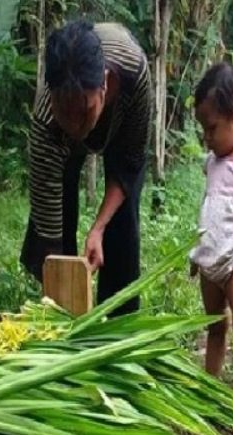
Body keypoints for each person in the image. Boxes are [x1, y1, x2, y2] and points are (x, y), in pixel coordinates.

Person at [21, 20, 152, 315]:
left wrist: (99, 228)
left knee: (123, 221)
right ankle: (61, 311)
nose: (74, 124)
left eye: (84, 111)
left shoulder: (133, 74)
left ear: (105, 84)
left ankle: (119, 317)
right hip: (58, 145)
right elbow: (48, 222)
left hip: (120, 128)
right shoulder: (47, 122)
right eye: (63, 111)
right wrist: (57, 291)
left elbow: (128, 164)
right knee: (52, 233)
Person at [189, 62, 233, 417]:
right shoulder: (213, 162)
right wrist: (196, 252)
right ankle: (210, 389)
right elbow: (210, 207)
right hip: (211, 259)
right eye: (203, 129)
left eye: (211, 128)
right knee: (215, 325)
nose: (207, 137)